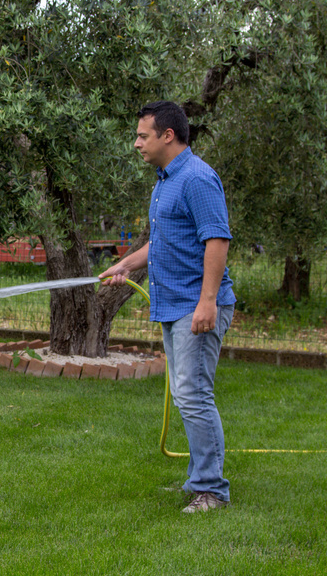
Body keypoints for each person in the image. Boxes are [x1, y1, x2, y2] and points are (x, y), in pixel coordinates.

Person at [100, 101, 236, 514]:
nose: (137, 143)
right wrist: (126, 263)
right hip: (175, 305)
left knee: (193, 395)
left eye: (143, 135)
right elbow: (163, 244)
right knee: (186, 394)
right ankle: (199, 481)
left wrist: (207, 302)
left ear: (167, 136)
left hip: (195, 306)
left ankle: (211, 490)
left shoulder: (197, 178)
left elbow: (217, 240)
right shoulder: (164, 181)